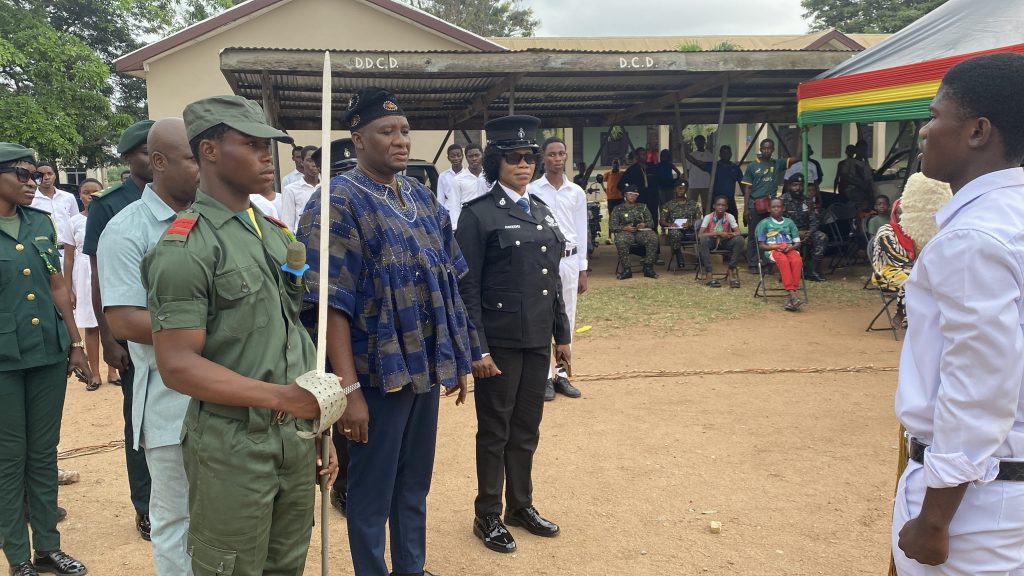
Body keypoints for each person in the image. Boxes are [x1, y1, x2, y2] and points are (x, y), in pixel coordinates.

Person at [296, 87, 472, 576]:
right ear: (358, 139)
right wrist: (349, 391)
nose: (401, 140)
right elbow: (328, 303)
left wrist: (459, 358)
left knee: (414, 484)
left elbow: (450, 280)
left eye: (405, 131)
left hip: (423, 371)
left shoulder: (421, 196)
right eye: (387, 131)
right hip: (374, 376)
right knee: (372, 492)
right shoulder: (336, 200)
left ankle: (411, 568)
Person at [892, 53, 1024, 575]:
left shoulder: (972, 238)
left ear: (977, 131)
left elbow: (978, 386)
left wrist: (934, 519)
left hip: (978, 508)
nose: (925, 131)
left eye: (934, 116)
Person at [457, 114, 571, 555]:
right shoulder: (478, 214)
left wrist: (561, 336)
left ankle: (520, 505)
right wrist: (477, 348)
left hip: (536, 339)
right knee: (495, 430)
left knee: (526, 427)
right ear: (495, 163)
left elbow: (551, 281)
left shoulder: (541, 211)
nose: (523, 165)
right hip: (499, 344)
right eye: (513, 158)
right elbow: (467, 287)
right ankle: (487, 512)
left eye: (529, 157)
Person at [98, 118, 200, 576]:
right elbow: (124, 319)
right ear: (158, 162)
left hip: (231, 393)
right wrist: (210, 330)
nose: (203, 168)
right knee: (177, 520)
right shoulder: (127, 230)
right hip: (170, 401)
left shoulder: (217, 217)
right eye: (192, 159)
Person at [0, 142, 90, 576]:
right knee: (9, 458)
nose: (32, 182)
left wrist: (76, 343)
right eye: (22, 174)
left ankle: (47, 548)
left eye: (35, 175)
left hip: (46, 352)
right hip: (3, 359)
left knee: (43, 452)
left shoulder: (39, 222)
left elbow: (57, 286)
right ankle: (18, 557)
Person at [84, 119, 154, 541]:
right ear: (128, 158)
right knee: (139, 420)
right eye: (144, 152)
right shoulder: (109, 204)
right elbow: (98, 277)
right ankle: (145, 505)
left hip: (172, 323)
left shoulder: (183, 194)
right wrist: (108, 338)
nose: (153, 159)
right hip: (130, 326)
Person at [528, 136, 587, 401]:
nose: (557, 158)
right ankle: (545, 376)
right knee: (542, 316)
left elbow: (582, 232)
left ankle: (562, 374)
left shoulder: (576, 192)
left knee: (568, 318)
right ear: (543, 158)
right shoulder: (532, 191)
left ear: (566, 157)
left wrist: (583, 269)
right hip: (542, 260)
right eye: (551, 154)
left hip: (569, 260)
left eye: (561, 153)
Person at [61, 178, 117, 391]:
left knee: (110, 324)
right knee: (91, 327)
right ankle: (95, 374)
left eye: (95, 192)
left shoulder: (110, 218)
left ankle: (113, 371)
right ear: (80, 195)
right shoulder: (73, 222)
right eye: (86, 192)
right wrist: (69, 289)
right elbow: (68, 258)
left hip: (106, 271)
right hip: (83, 275)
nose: (90, 196)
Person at [742, 138, 790, 273]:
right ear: (760, 149)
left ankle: (767, 262)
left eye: (769, 148)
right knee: (754, 235)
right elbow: (747, 188)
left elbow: (797, 157)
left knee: (770, 234)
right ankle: (753, 264)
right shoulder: (752, 166)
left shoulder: (777, 163)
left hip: (771, 206)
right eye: (764, 148)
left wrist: (801, 134)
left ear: (773, 149)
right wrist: (746, 209)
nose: (766, 150)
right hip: (755, 204)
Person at [755, 197, 803, 311]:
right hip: (772, 250)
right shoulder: (765, 223)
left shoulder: (789, 222)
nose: (776, 209)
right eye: (773, 207)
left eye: (779, 207)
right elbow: (761, 245)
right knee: (783, 261)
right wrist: (775, 247)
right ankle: (792, 294)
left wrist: (790, 247)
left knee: (797, 260)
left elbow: (797, 242)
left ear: (783, 208)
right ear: (769, 209)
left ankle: (792, 295)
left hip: (789, 249)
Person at [780, 173, 828, 282]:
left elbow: (814, 220)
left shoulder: (807, 200)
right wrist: (796, 233)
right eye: (795, 185)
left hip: (806, 232)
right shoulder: (782, 201)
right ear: (789, 186)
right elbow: (778, 223)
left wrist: (809, 232)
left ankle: (813, 270)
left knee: (822, 237)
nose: (798, 188)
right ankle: (788, 271)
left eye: (800, 185)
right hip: (788, 233)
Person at [30, 164, 78, 269]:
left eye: (49, 174)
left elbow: (76, 223)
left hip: (69, 252)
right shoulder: (31, 200)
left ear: (55, 175)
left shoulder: (68, 197)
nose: (46, 177)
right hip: (44, 252)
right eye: (41, 175)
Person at [609, 182, 659, 280]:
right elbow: (612, 226)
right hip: (626, 232)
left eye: (635, 195)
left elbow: (651, 223)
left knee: (653, 237)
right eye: (630, 194)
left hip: (641, 232)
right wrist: (624, 228)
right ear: (625, 195)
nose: (633, 196)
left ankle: (648, 268)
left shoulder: (643, 207)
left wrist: (644, 225)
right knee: (620, 240)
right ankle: (627, 270)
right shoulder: (618, 209)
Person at [697, 196, 745, 288]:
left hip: (725, 241)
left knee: (740, 240)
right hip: (711, 241)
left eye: (723, 205)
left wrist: (729, 234)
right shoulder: (708, 217)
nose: (720, 207)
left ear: (726, 207)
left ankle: (731, 270)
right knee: (703, 240)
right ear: (714, 206)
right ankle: (709, 273)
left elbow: (738, 232)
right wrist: (717, 233)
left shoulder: (729, 216)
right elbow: (700, 235)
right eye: (718, 205)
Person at [685, 144, 743, 218]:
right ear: (720, 154)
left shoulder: (735, 168)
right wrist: (684, 153)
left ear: (731, 154)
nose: (725, 155)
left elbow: (742, 185)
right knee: (715, 223)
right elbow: (697, 162)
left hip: (730, 202)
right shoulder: (714, 166)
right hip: (716, 202)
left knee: (733, 222)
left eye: (727, 153)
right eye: (723, 153)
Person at [658, 178, 703, 270]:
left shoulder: (694, 204)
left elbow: (699, 220)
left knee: (704, 235)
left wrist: (690, 223)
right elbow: (661, 221)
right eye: (678, 188)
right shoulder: (668, 205)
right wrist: (670, 225)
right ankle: (679, 255)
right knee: (675, 234)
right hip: (676, 231)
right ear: (675, 189)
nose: (680, 190)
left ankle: (702, 258)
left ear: (686, 189)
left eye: (683, 188)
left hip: (691, 231)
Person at [445, 142, 488, 231]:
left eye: (477, 155)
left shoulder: (490, 176)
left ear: (482, 155)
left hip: (488, 222)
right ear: (466, 158)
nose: (474, 159)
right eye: (470, 156)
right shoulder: (457, 180)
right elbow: (454, 205)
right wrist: (455, 227)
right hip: (467, 223)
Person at [279, 144, 320, 230]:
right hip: (301, 237)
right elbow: (287, 222)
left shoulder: (329, 187)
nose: (314, 164)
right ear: (302, 162)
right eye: (310, 160)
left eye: (317, 160)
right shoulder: (290, 190)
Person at [620, 147, 660, 234]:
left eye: (645, 154)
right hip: (639, 199)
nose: (644, 156)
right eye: (642, 154)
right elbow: (620, 184)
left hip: (652, 199)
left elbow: (659, 181)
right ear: (637, 157)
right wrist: (628, 195)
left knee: (653, 220)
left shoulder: (652, 168)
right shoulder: (632, 170)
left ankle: (654, 238)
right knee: (639, 221)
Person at [834, 143, 876, 211]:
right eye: (861, 149)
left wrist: (871, 193)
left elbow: (869, 179)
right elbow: (844, 176)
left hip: (864, 191)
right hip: (853, 190)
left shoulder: (865, 164)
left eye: (865, 150)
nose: (863, 152)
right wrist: (858, 184)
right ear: (856, 150)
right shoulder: (849, 162)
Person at [684, 135, 714, 207]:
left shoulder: (710, 156)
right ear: (695, 143)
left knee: (706, 206)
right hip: (693, 184)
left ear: (704, 143)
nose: (699, 144)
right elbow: (687, 170)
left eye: (701, 142)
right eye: (697, 143)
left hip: (706, 184)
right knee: (692, 206)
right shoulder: (692, 155)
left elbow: (712, 170)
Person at [436, 143, 464, 208]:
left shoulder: (468, 175)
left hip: (464, 210)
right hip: (448, 210)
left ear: (463, 156)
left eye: (459, 155)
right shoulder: (443, 176)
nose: (456, 158)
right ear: (448, 158)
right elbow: (440, 198)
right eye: (452, 156)